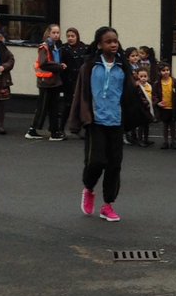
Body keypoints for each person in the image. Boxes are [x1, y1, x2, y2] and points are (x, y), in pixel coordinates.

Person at [68, 26, 143, 222]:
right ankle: (89, 188)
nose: (113, 44)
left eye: (115, 41)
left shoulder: (123, 66)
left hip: (116, 121)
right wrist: (78, 119)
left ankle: (108, 205)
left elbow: (128, 94)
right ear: (100, 44)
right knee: (96, 161)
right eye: (108, 41)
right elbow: (80, 95)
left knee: (114, 165)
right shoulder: (89, 66)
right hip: (95, 121)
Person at [26, 24, 67, 141]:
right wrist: (59, 66)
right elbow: (43, 63)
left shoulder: (56, 46)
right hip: (46, 81)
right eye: (54, 33)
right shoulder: (44, 47)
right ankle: (32, 129)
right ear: (48, 33)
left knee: (54, 107)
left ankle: (54, 131)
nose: (56, 35)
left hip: (55, 81)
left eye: (58, 33)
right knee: (42, 107)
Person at [59, 27, 88, 136]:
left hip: (81, 80)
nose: (70, 38)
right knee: (68, 105)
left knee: (82, 104)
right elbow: (60, 62)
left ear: (77, 36)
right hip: (69, 80)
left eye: (72, 36)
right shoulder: (64, 49)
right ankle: (61, 127)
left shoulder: (83, 47)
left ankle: (79, 128)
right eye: (68, 36)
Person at [154, 62, 176, 149]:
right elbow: (154, 95)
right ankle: (165, 141)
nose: (166, 72)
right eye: (163, 70)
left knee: (173, 125)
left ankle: (173, 141)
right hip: (163, 107)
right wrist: (157, 102)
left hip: (173, 107)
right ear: (159, 72)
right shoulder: (157, 83)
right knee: (165, 125)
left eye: (167, 70)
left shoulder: (174, 81)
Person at [135, 67, 157, 146]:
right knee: (141, 124)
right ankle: (140, 140)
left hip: (148, 108)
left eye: (145, 76)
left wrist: (154, 102)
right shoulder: (137, 86)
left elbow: (153, 95)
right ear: (138, 76)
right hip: (140, 108)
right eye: (141, 76)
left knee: (147, 124)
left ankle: (146, 139)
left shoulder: (150, 85)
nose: (143, 78)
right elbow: (136, 96)